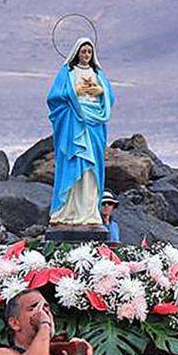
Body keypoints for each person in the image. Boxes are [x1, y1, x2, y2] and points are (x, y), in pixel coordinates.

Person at [47, 38, 113, 229]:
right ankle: (67, 212)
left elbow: (109, 95)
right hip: (74, 123)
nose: (86, 55)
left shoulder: (97, 73)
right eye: (83, 51)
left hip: (94, 125)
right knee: (75, 162)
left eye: (89, 52)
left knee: (92, 167)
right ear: (77, 52)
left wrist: (99, 90)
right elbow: (53, 97)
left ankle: (89, 213)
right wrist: (74, 92)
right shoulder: (68, 72)